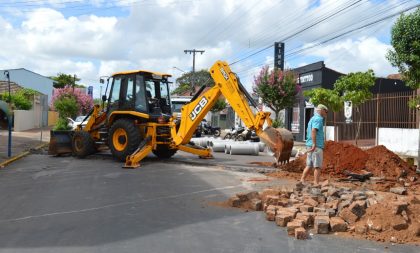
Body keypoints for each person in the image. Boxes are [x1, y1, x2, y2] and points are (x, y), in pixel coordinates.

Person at [300, 104, 329, 186]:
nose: (326, 113)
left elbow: (308, 130)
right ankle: (316, 183)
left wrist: (311, 143)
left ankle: (302, 180)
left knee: (309, 165)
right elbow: (313, 131)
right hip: (316, 146)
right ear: (322, 110)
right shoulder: (318, 119)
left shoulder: (312, 118)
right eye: (326, 111)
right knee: (317, 166)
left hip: (310, 144)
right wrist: (314, 144)